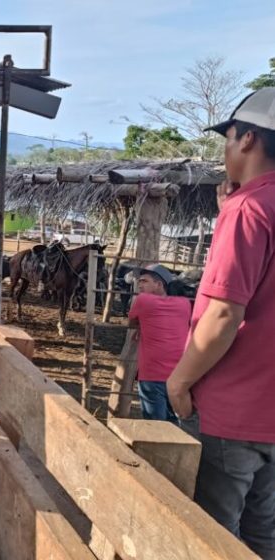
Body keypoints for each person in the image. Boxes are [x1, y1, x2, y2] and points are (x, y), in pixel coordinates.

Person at [166, 87, 275, 558]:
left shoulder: (250, 210)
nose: (225, 148)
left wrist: (179, 381)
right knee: (263, 536)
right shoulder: (251, 207)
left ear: (248, 139)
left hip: (233, 413)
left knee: (210, 539)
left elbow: (225, 313)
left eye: (228, 137)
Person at [127, 264, 190, 422]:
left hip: (152, 374)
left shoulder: (143, 300)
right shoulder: (185, 304)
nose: (139, 284)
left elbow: (131, 322)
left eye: (144, 281)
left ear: (159, 284)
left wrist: (142, 326)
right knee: (175, 424)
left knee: (154, 425)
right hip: (180, 375)